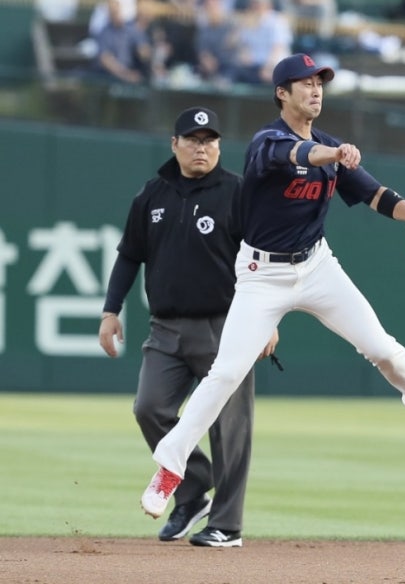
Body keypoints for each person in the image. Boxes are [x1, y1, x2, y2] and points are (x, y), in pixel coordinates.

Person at [140, 53, 405, 521]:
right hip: (261, 275)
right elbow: (295, 154)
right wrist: (333, 155)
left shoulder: (330, 148)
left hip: (316, 267)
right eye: (304, 83)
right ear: (281, 93)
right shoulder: (267, 142)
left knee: (383, 348)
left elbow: (376, 195)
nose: (315, 90)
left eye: (319, 83)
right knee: (226, 373)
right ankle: (169, 471)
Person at [100, 106, 279, 548]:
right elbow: (128, 255)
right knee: (150, 408)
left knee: (229, 427)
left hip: (228, 326)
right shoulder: (152, 194)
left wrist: (269, 317)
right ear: (174, 144)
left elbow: (265, 261)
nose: (203, 147)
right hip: (165, 328)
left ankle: (227, 526)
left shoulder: (239, 192)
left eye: (211, 140)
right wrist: (110, 310)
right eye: (194, 139)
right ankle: (195, 486)